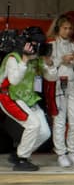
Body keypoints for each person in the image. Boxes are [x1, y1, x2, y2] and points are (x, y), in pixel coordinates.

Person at [0, 27, 58, 171]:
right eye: (36, 44)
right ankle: (21, 159)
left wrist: (49, 62)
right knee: (33, 125)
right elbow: (13, 80)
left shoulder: (37, 59)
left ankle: (19, 153)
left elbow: (52, 77)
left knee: (45, 133)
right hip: (9, 97)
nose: (39, 47)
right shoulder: (14, 58)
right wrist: (25, 60)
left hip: (28, 98)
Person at [47, 14, 74, 167]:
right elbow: (45, 67)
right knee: (59, 121)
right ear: (58, 28)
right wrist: (60, 60)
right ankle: (61, 153)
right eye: (65, 28)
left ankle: (72, 151)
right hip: (57, 84)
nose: (68, 31)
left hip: (73, 85)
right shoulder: (51, 45)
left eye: (70, 28)